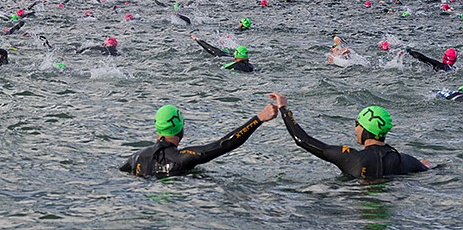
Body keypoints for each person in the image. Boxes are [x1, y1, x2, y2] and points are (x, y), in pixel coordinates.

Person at [269, 93, 430, 178]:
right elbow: (428, 168)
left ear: (365, 128)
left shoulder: (353, 159)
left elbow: (302, 140)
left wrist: (283, 109)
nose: (355, 130)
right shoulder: (403, 159)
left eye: (357, 125)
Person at [119, 101, 278, 178]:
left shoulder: (138, 156)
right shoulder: (181, 158)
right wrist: (259, 118)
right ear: (181, 128)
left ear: (157, 127)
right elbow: (224, 145)